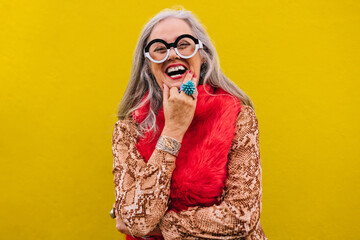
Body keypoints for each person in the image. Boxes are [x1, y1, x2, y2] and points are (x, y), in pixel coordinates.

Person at [111, 8, 267, 240]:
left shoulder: (237, 116)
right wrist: (174, 128)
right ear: (147, 65)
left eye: (184, 44)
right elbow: (136, 221)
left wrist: (159, 228)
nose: (172, 55)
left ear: (202, 55)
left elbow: (242, 218)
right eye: (160, 49)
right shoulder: (128, 129)